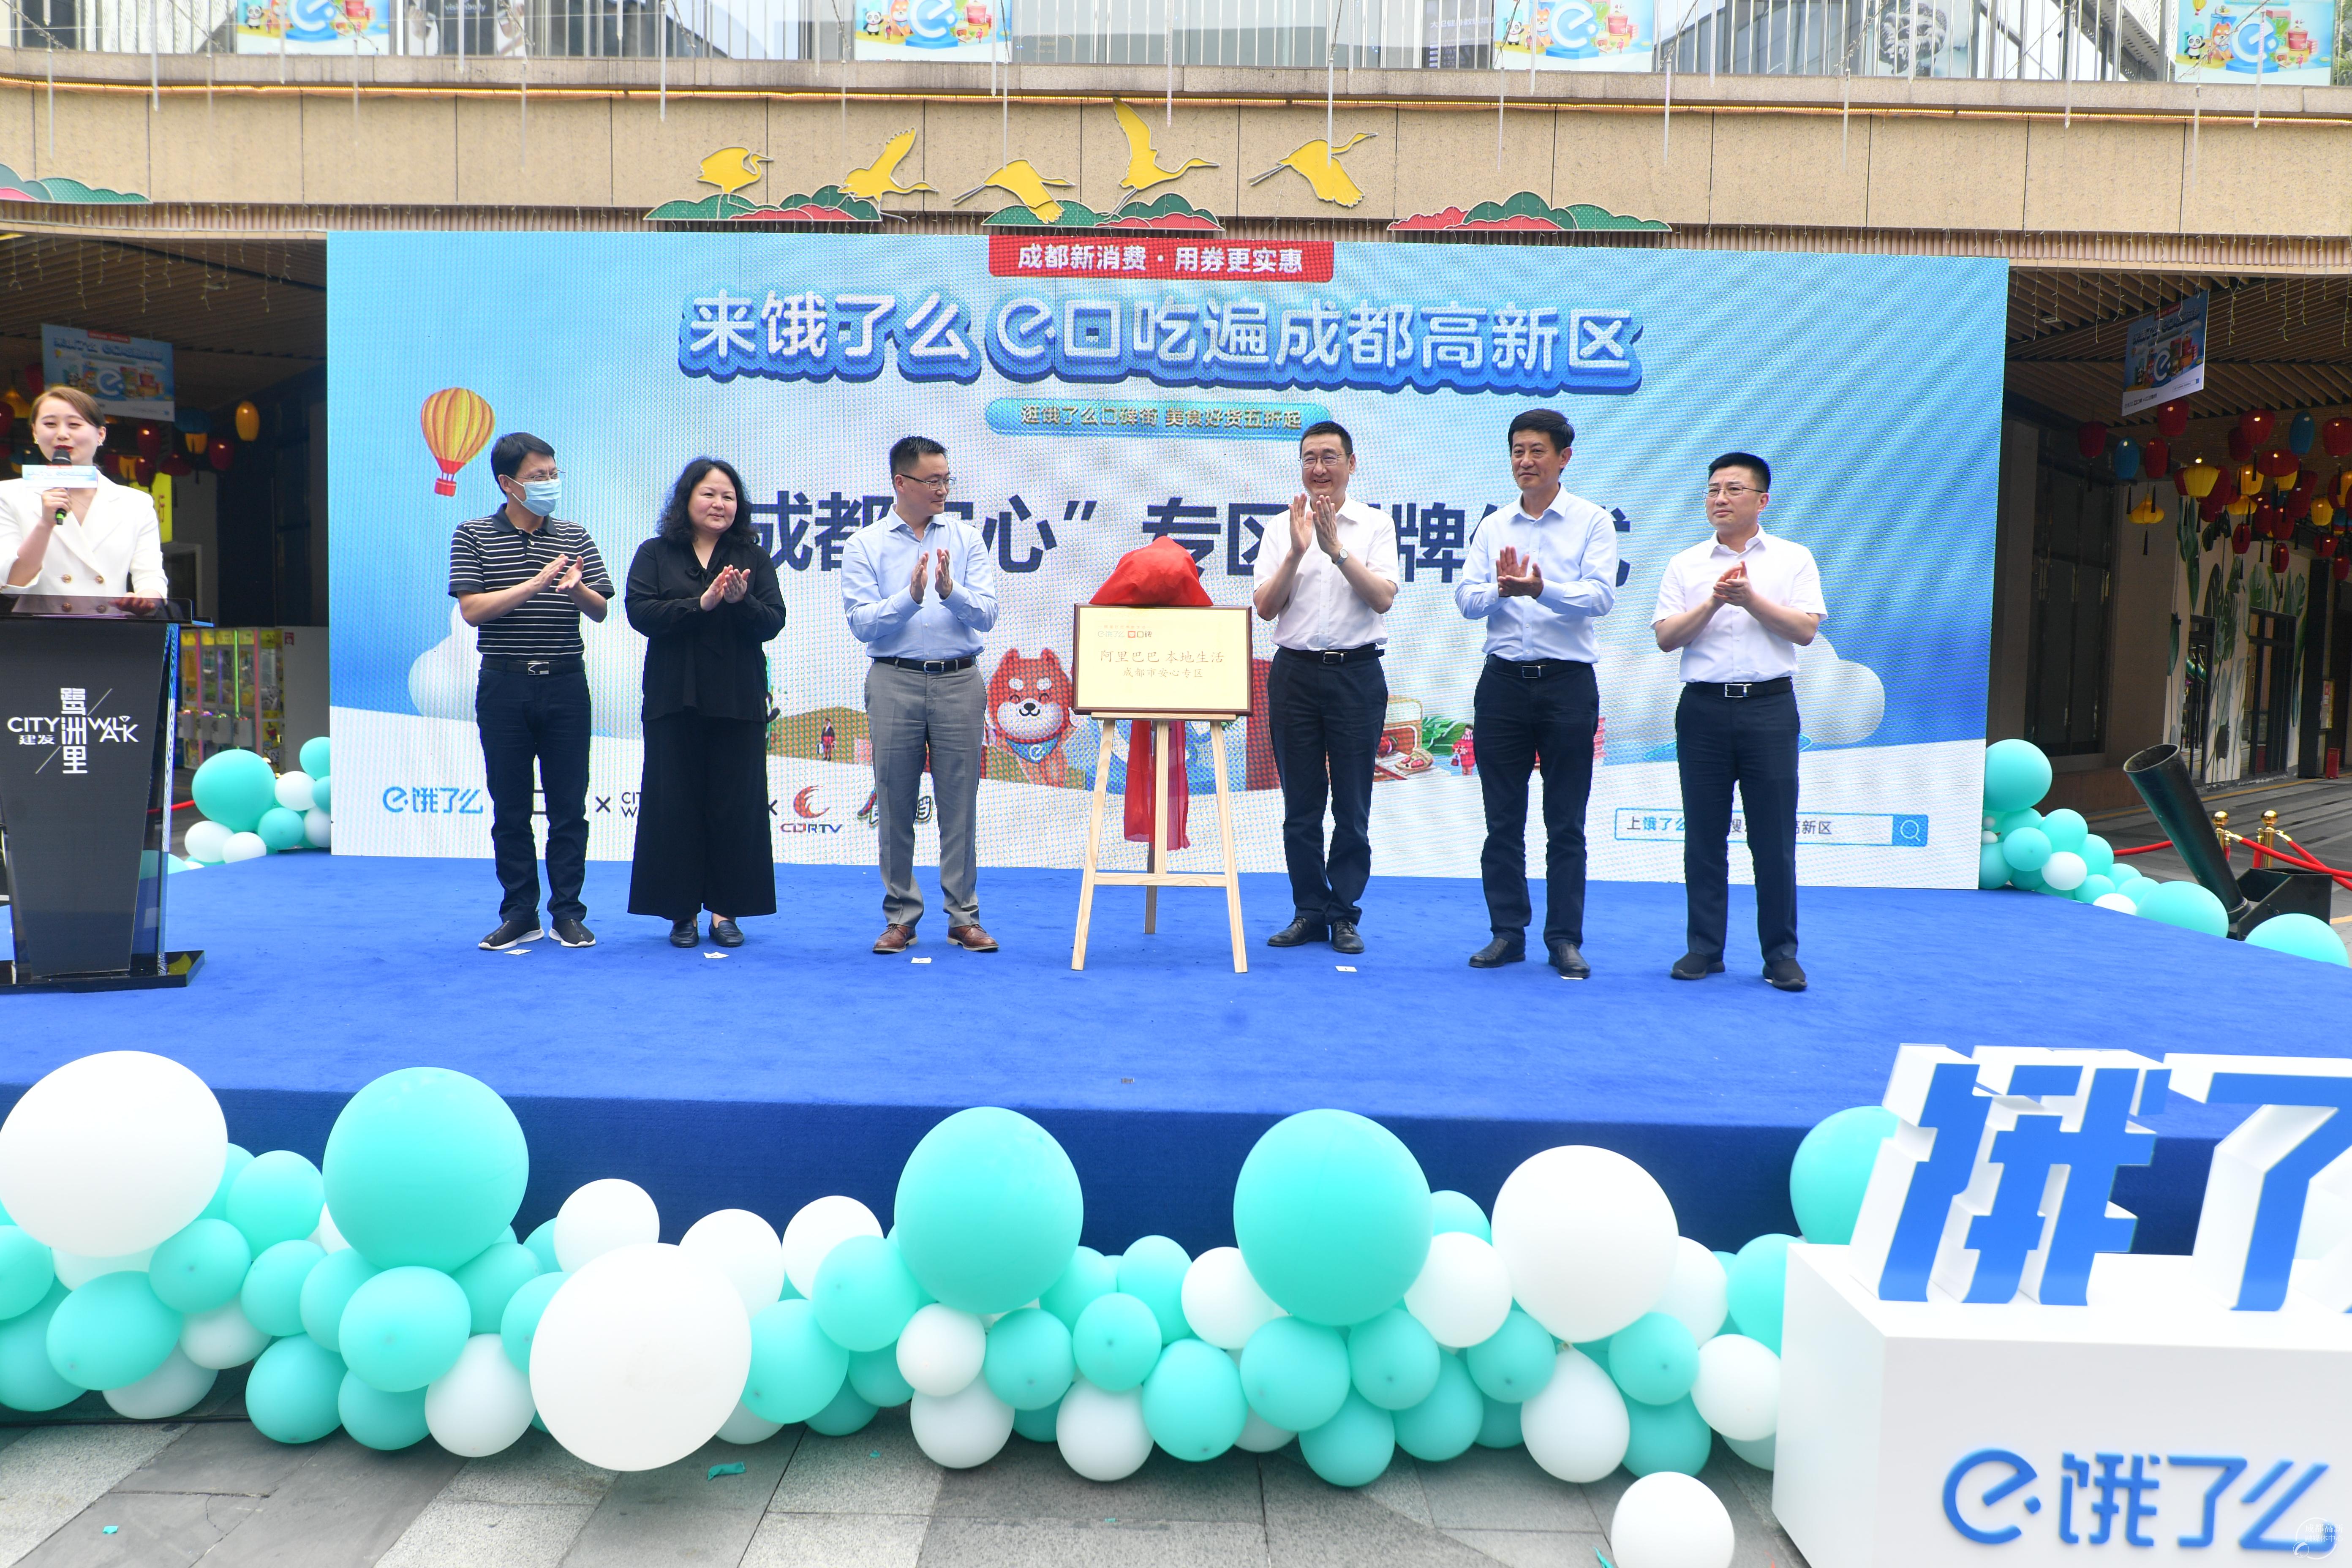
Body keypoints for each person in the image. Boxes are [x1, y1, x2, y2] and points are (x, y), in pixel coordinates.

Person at [1651, 452, 1825, 993]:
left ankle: (1780, 954)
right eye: (1712, 490)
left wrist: (1750, 600)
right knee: (1704, 836)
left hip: (1769, 708)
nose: (1719, 499)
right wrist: (1713, 602)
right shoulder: (1686, 563)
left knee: (1773, 839)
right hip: (1702, 709)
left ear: (1762, 500)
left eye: (1733, 489)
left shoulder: (1793, 558)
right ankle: (1704, 948)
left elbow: (1805, 631)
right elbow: (1666, 638)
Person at [1454, 409, 1618, 977]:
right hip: (1503, 684)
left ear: (1564, 457)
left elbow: (1599, 597)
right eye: (1518, 451)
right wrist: (1502, 591)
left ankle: (1564, 938)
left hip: (1568, 684)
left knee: (1565, 821)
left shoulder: (1592, 521)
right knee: (1502, 820)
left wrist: (1541, 589)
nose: (1525, 461)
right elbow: (1467, 599)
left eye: (1537, 451)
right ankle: (1507, 933)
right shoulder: (1494, 526)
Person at [449, 432, 612, 952]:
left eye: (554, 474)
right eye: (538, 476)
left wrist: (577, 588)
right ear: (508, 483)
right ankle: (520, 913)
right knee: (511, 807)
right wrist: (535, 585)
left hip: (565, 681)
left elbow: (601, 608)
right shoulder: (473, 534)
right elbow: (472, 610)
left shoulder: (575, 535)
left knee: (569, 806)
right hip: (504, 683)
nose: (550, 484)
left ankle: (568, 913)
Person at [840, 436, 1000, 955]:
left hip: (960, 679)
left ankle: (964, 917)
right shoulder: (864, 544)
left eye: (947, 479)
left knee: (960, 803)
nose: (943, 489)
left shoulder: (966, 538)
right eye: (933, 480)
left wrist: (950, 593)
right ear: (901, 483)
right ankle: (901, 917)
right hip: (894, 679)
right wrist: (909, 599)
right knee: (895, 802)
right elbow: (862, 623)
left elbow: (988, 614)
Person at [624, 458, 787, 949]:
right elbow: (640, 612)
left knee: (736, 806)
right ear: (686, 499)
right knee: (673, 803)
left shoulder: (753, 557)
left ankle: (725, 912)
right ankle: (682, 913)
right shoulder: (655, 552)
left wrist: (741, 602)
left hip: (738, 699)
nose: (720, 504)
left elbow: (773, 621)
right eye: (709, 494)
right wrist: (701, 605)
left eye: (729, 496)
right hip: (674, 698)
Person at [1251, 419, 1400, 956]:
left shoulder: (1375, 525)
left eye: (1330, 457)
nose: (1319, 468)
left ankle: (1344, 914)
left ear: (1351, 464)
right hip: (1294, 675)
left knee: (1352, 805)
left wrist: (1336, 550)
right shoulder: (1280, 528)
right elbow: (1265, 607)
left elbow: (1382, 598)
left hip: (1357, 675)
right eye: (1310, 458)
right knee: (1301, 806)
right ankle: (1309, 911)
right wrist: (1297, 551)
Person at [0, 387, 168, 604]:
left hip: (111, 621)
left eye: (74, 425)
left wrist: (145, 602)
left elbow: (150, 575)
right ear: (34, 432)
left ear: (101, 435)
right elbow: (12, 583)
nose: (62, 434)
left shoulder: (136, 503)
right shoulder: (8, 495)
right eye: (50, 424)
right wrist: (45, 524)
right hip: (41, 623)